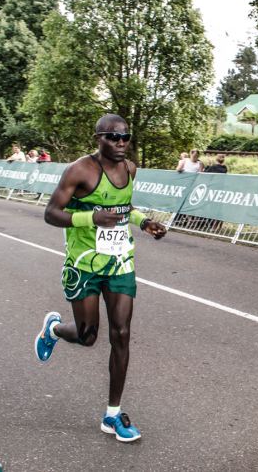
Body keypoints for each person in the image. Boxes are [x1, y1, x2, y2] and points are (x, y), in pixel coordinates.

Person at [34, 114, 167, 443]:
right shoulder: (80, 170)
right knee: (88, 335)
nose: (121, 143)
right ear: (98, 138)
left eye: (126, 137)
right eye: (113, 137)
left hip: (120, 261)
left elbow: (124, 207)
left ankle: (112, 415)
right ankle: (53, 329)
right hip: (83, 263)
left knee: (121, 334)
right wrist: (89, 217)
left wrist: (143, 221)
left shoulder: (130, 169)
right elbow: (51, 213)